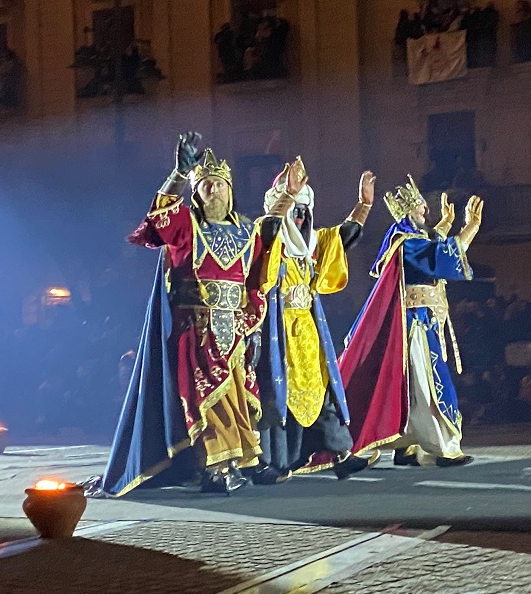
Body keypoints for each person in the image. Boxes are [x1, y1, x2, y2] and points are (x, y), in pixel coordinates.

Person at [95, 132, 266, 496]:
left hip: (233, 331)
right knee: (205, 398)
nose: (214, 190)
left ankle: (226, 463)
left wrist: (253, 324)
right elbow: (157, 220)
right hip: (196, 329)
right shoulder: (187, 225)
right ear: (196, 192)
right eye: (205, 185)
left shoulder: (249, 231)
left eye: (220, 184)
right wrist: (177, 174)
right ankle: (216, 468)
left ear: (230, 189)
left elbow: (256, 283)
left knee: (233, 398)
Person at [339, 175, 484, 467]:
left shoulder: (410, 239)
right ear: (407, 214)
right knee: (427, 384)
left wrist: (445, 224)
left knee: (407, 385)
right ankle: (443, 448)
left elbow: (430, 246)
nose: (424, 214)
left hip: (419, 321)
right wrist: (470, 228)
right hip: (412, 325)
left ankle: (406, 444)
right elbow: (437, 256)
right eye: (419, 211)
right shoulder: (404, 241)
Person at [254, 156, 378, 482]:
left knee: (322, 392)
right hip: (277, 332)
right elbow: (269, 229)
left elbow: (343, 237)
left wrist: (363, 206)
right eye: (295, 209)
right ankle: (275, 464)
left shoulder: (312, 244)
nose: (301, 216)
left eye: (304, 210)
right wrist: (288, 195)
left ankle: (340, 454)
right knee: (278, 395)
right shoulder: (270, 238)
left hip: (309, 332)